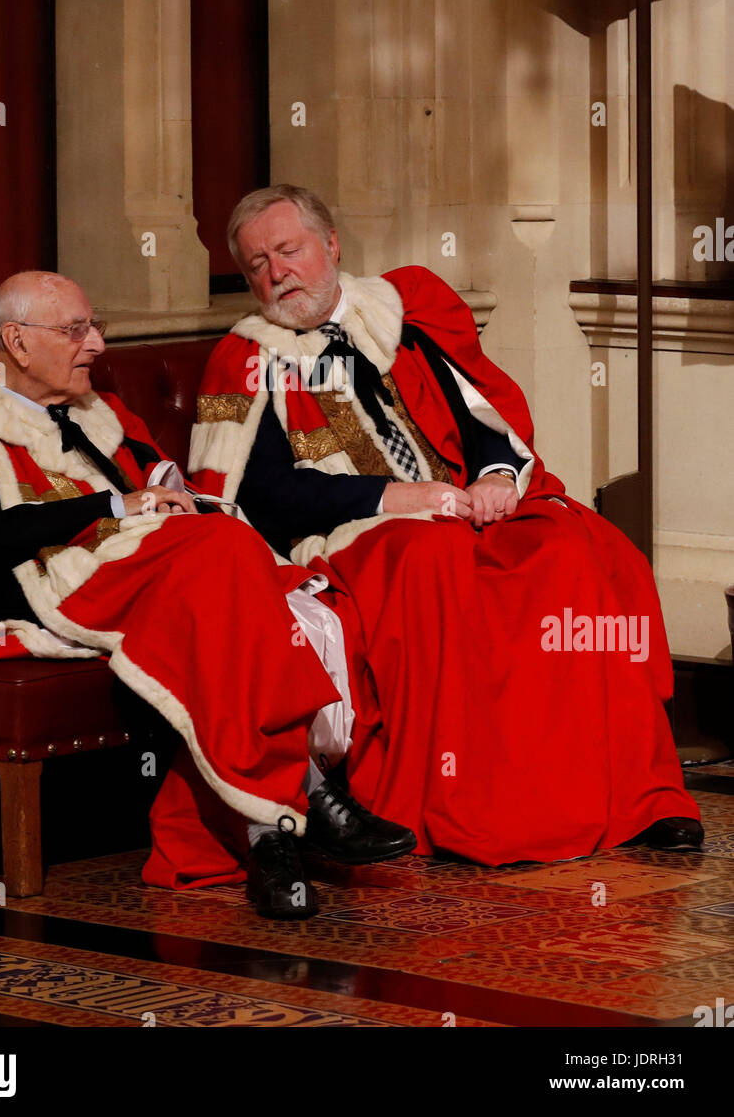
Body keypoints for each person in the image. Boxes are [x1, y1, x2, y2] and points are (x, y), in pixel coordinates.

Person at [189, 184, 703, 867]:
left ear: (331, 244)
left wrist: (493, 478)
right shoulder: (243, 360)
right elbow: (262, 495)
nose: (275, 273)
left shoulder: (403, 315)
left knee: (576, 548)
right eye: (256, 264)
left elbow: (480, 418)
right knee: (430, 560)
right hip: (355, 531)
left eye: (288, 250)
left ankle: (635, 797)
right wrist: (393, 497)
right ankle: (466, 807)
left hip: (461, 505)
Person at [0, 270, 415, 918]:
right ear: (16, 341)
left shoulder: (99, 413)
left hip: (144, 570)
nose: (96, 346)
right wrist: (114, 505)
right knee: (221, 557)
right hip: (35, 586)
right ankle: (310, 797)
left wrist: (164, 505)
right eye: (74, 330)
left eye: (96, 327)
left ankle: (268, 836)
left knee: (222, 569)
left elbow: (155, 490)